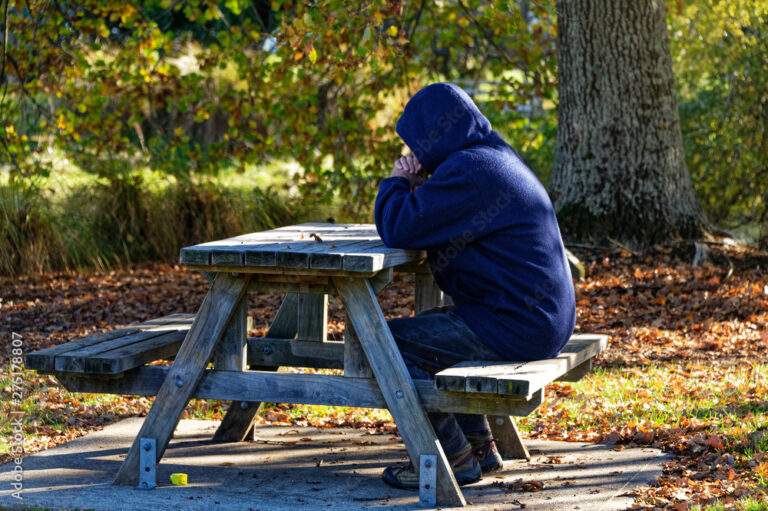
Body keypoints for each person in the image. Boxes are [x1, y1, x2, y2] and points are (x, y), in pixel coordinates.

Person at [374, 83, 576, 488]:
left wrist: (397, 181)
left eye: (416, 142)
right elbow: (430, 218)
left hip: (517, 325)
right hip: (535, 320)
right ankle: (480, 448)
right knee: (430, 333)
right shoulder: (492, 159)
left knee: (379, 340)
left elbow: (398, 226)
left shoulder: (468, 171)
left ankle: (450, 457)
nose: (415, 153)